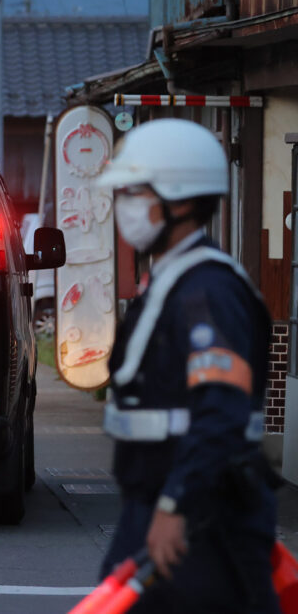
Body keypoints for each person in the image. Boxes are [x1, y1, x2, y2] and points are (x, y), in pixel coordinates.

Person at [96, 118, 280, 612]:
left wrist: (175, 506)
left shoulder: (207, 294)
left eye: (134, 192)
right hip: (161, 507)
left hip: (201, 518)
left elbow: (220, 412)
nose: (124, 207)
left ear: (178, 200)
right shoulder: (175, 282)